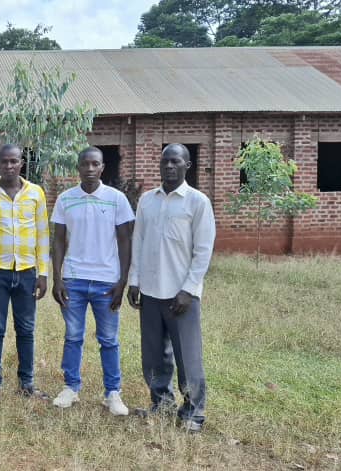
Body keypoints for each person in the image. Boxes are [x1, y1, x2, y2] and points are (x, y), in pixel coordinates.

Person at [128, 143, 216, 433]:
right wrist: (134, 281)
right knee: (153, 355)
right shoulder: (147, 201)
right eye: (165, 161)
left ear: (187, 165)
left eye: (175, 162)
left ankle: (193, 413)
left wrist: (189, 290)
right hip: (151, 291)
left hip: (181, 295)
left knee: (187, 356)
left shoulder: (197, 202)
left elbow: (203, 251)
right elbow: (138, 242)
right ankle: (161, 402)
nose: (169, 166)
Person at [49, 147, 133, 416]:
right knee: (73, 336)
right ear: (78, 167)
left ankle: (113, 393)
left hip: (106, 282)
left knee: (108, 338)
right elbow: (59, 240)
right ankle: (71, 388)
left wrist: (122, 281)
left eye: (94, 164)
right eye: (84, 164)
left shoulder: (117, 199)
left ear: (102, 167)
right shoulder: (65, 199)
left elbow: (125, 241)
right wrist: (57, 278)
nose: (89, 168)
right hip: (73, 279)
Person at [0, 144, 50, 402]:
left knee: (26, 329)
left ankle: (26, 383)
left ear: (21, 163)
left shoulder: (35, 193)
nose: (9, 166)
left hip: (27, 271)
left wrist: (43, 273)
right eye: (4, 162)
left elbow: (42, 234)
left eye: (14, 161)